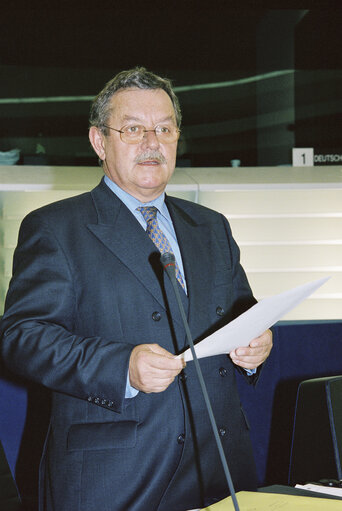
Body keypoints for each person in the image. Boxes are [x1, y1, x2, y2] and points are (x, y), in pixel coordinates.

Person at [0, 67, 272, 511]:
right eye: (133, 129)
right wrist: (121, 367)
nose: (152, 142)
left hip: (221, 470)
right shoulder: (54, 228)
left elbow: (244, 313)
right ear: (99, 142)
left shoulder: (211, 227)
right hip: (117, 478)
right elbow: (22, 337)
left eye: (164, 128)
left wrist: (257, 345)